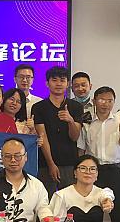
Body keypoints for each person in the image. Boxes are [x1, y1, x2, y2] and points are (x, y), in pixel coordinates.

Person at [78, 86, 120, 222]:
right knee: (93, 208)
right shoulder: (87, 122)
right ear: (94, 101)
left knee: (119, 210)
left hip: (115, 170)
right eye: (102, 100)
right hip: (94, 171)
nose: (106, 104)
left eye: (110, 100)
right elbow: (81, 148)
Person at [33, 66, 84, 195]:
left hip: (69, 163)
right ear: (47, 83)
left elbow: (74, 137)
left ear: (68, 84)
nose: (58, 84)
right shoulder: (39, 107)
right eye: (54, 80)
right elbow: (42, 137)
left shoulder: (76, 107)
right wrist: (51, 164)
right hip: (45, 163)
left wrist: (70, 121)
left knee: (69, 201)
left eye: (62, 80)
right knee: (46, 200)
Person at [49, 155, 114, 222]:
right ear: (75, 172)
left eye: (92, 169)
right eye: (83, 168)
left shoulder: (102, 193)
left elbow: (107, 195)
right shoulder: (62, 195)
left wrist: (108, 202)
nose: (88, 172)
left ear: (97, 174)